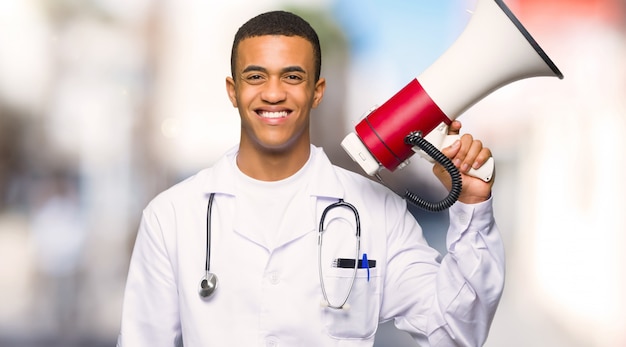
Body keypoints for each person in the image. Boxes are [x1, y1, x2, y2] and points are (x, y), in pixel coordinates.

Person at [117, 10, 505, 347]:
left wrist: (471, 204)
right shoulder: (171, 216)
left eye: (292, 76)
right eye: (255, 76)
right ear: (232, 92)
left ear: (317, 92)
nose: (273, 93)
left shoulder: (378, 212)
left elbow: (457, 331)